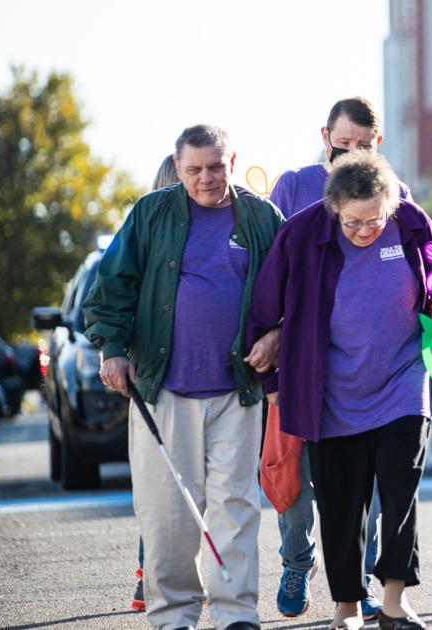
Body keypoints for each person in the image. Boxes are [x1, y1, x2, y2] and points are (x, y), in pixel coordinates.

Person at [84, 124, 284, 630]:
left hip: (237, 390)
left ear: (232, 161)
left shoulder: (261, 217)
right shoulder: (152, 213)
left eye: (216, 167)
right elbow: (112, 287)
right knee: (167, 515)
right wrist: (112, 349)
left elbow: (295, 291)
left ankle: (236, 614)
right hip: (162, 389)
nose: (206, 178)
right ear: (178, 167)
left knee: (235, 510)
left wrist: (278, 335)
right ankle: (173, 616)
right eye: (194, 169)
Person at [250, 151, 432, 630]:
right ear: (333, 208)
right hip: (331, 390)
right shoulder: (301, 233)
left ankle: (394, 602)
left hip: (404, 379)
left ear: (390, 205)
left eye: (374, 221)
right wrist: (272, 381)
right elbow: (263, 309)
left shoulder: (411, 223)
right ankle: (345, 606)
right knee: (342, 502)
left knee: (400, 490)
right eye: (352, 223)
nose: (365, 231)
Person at [267, 96, 395, 620]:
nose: (351, 155)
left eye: (362, 146)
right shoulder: (294, 185)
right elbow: (269, 271)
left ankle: (358, 579)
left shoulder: (395, 193)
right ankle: (298, 560)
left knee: (366, 486)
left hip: (369, 371)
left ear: (377, 144)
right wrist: (269, 335)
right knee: (292, 483)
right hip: (301, 366)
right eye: (342, 145)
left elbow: (417, 269)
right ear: (325, 136)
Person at [129, 153, 183, 614]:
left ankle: (147, 579)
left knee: (159, 484)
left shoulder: (142, 230)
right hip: (159, 378)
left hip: (151, 375)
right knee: (174, 482)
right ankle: (153, 578)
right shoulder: (150, 234)